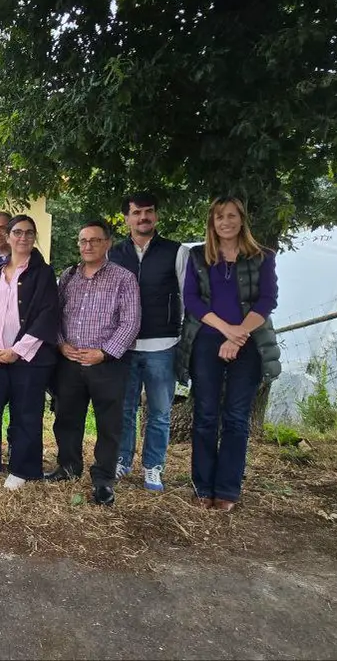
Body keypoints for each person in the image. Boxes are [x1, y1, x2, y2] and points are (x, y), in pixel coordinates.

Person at [177, 196, 281, 512]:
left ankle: (227, 490)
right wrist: (225, 330)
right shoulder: (198, 257)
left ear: (241, 219)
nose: (226, 222)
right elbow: (192, 300)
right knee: (206, 416)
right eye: (220, 217)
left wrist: (237, 337)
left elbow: (266, 301)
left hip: (247, 343)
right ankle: (202, 486)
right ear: (212, 222)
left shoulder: (262, 257)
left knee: (236, 418)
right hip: (207, 342)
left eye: (231, 216)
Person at [48, 220, 141, 506]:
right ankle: (68, 466)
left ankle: (103, 480)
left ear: (107, 243)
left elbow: (131, 321)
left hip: (106, 363)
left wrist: (104, 352)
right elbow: (55, 314)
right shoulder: (68, 276)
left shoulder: (123, 278)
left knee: (109, 424)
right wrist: (61, 343)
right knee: (66, 418)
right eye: (83, 241)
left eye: (95, 240)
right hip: (70, 362)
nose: (87, 246)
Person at [0, 215, 61, 490]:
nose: (23, 238)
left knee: (26, 414)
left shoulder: (44, 274)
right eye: (18, 233)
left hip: (28, 360)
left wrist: (17, 351)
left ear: (34, 238)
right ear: (8, 237)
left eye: (29, 233)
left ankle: (23, 468)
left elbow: (47, 316)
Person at [107, 192, 190, 491]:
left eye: (149, 211)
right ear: (126, 218)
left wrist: (182, 339)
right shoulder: (114, 254)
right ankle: (122, 461)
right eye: (137, 212)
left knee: (159, 412)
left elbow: (189, 299)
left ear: (156, 215)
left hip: (163, 345)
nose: (143, 217)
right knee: (125, 410)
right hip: (124, 348)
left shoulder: (177, 252)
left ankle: (153, 467)